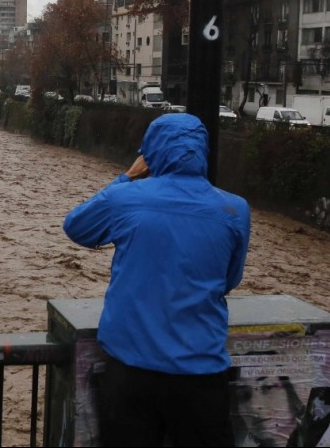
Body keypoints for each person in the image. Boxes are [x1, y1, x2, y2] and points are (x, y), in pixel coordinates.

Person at [62, 113, 251, 447]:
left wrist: (127, 177)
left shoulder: (126, 198)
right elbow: (229, 280)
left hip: (131, 373)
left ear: (150, 153)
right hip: (201, 375)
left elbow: (76, 226)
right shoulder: (235, 210)